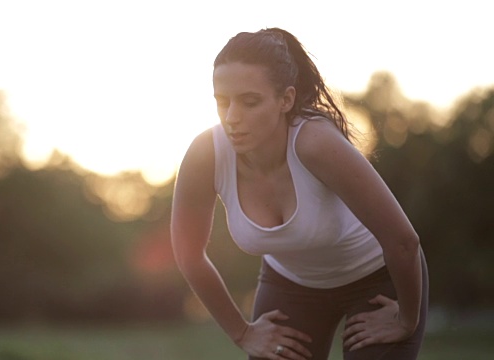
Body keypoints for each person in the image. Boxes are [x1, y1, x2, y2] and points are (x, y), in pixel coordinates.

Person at [170, 28, 428, 360]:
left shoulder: (315, 143)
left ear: (286, 100)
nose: (232, 117)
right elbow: (188, 254)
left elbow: (403, 241)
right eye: (223, 102)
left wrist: (407, 321)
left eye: (250, 102)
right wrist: (242, 332)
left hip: (375, 278)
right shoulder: (206, 154)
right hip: (292, 284)